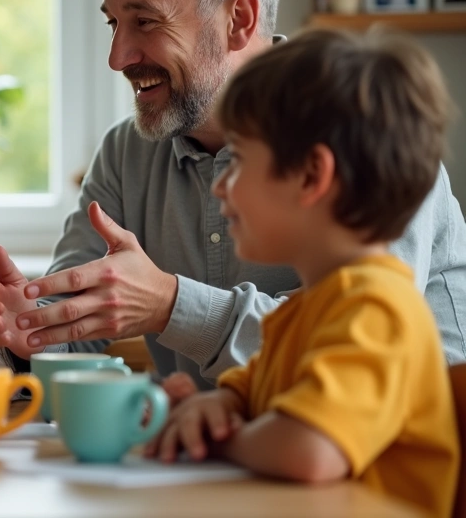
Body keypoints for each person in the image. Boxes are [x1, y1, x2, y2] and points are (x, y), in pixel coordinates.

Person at [0, 0, 466, 387]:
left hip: (396, 457)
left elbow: (350, 344)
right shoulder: (125, 153)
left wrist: (170, 305)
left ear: (238, 20)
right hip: (229, 454)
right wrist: (32, 328)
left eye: (145, 21)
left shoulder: (367, 133)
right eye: (114, 24)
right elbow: (77, 321)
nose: (118, 57)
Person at [147, 29, 459, 517]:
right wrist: (217, 409)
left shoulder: (377, 309)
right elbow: (254, 390)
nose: (220, 188)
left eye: (241, 161)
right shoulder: (313, 308)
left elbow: (310, 451)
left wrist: (222, 443)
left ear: (312, 176)